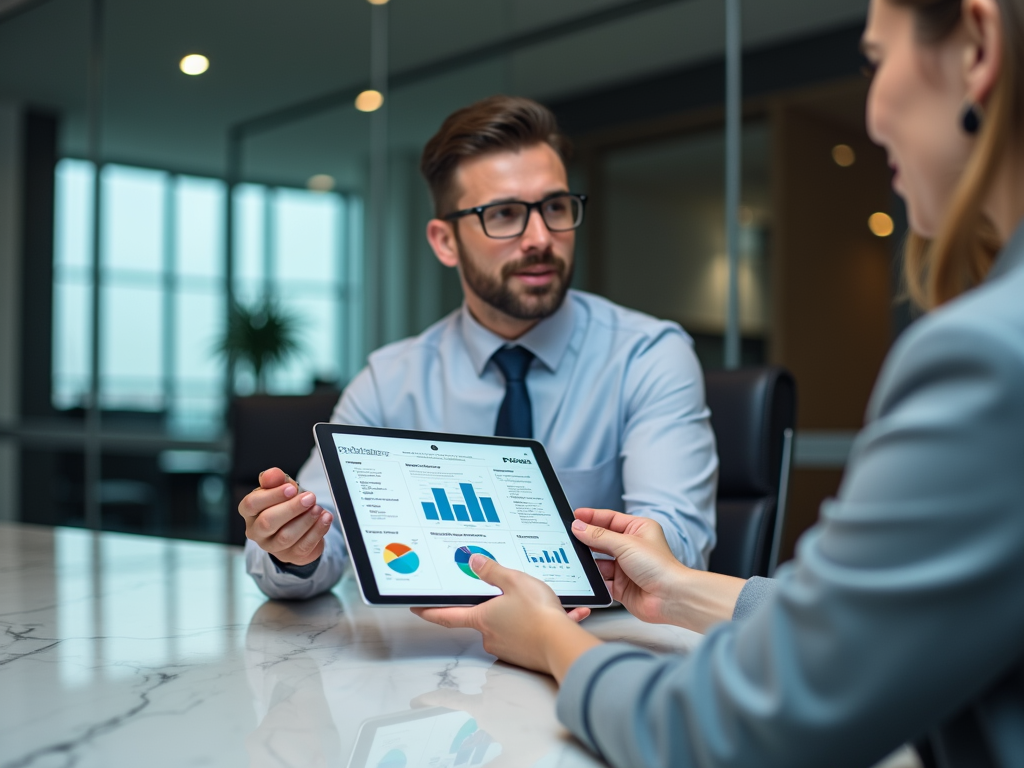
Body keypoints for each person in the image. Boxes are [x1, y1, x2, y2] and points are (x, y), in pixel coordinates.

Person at [413, 1, 1024, 766]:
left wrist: (551, 641)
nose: (870, 114)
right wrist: (683, 591)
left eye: (876, 60)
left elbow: (731, 727)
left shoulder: (986, 353)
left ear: (978, 47)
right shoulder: (395, 369)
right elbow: (855, 627)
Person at [240, 96, 719, 600]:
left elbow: (677, 551)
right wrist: (290, 546)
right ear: (445, 241)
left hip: (597, 651)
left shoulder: (648, 356)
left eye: (555, 207)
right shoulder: (390, 380)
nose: (540, 237)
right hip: (434, 660)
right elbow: (325, 542)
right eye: (505, 214)